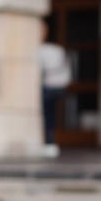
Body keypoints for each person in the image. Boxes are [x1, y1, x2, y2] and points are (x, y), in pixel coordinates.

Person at [38, 18, 71, 158]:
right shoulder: (53, 50)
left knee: (47, 116)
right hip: (50, 87)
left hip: (47, 88)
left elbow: (64, 70)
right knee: (47, 116)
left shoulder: (52, 50)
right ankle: (48, 142)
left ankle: (49, 142)